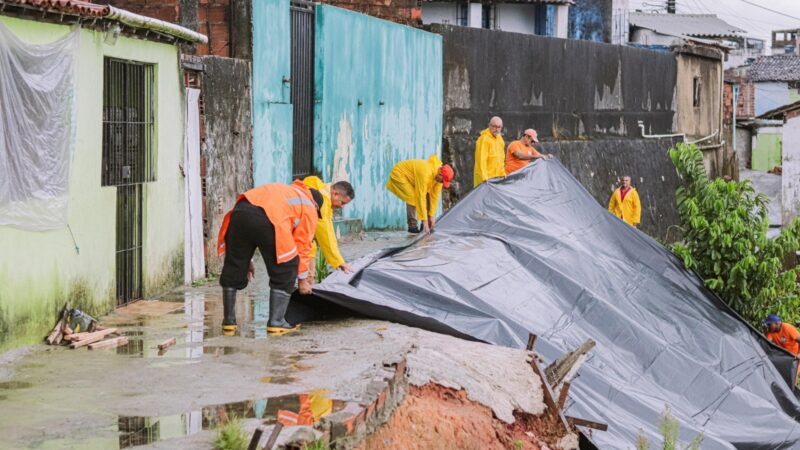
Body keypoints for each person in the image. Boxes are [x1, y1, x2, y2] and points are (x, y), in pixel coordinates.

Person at [216, 180, 322, 336]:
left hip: (239, 212)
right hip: (269, 219)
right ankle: (277, 322)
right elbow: (303, 247)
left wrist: (247, 260)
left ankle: (228, 322)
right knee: (287, 265)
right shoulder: (308, 206)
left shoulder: (286, 191)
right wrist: (302, 280)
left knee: (235, 264)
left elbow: (252, 221)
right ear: (316, 206)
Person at [386, 154, 454, 234]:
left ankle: (424, 226)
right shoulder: (426, 172)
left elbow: (434, 197)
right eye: (442, 181)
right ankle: (412, 226)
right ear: (440, 173)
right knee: (414, 197)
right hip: (399, 173)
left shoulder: (439, 179)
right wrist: (424, 220)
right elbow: (420, 196)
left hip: (411, 177)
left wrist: (431, 216)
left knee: (428, 196)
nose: (442, 183)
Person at [302, 176, 356, 274]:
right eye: (342, 202)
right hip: (298, 245)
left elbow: (329, 231)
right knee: (305, 279)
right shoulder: (322, 200)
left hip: (302, 242)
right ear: (335, 194)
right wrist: (339, 262)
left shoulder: (317, 189)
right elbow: (326, 235)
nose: (341, 206)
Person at [473, 116, 506, 187]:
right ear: (489, 126)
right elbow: (481, 161)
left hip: (496, 180)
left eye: (499, 127)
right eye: (494, 126)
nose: (496, 129)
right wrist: (484, 179)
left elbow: (501, 159)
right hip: (486, 180)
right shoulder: (484, 139)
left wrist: (503, 175)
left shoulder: (500, 139)